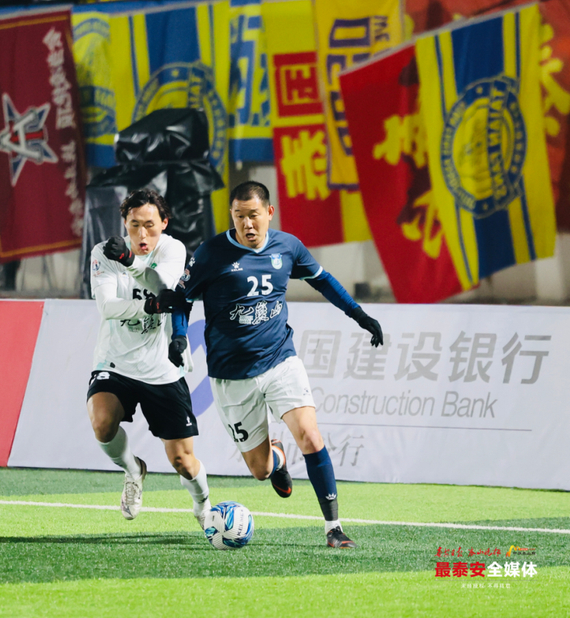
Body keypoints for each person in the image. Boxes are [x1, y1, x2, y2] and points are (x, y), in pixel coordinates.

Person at [168, 180, 384, 548]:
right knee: (261, 469)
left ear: (269, 212)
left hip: (280, 359)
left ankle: (333, 528)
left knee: (311, 436)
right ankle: (278, 459)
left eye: (253, 215)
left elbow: (323, 280)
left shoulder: (288, 247)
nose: (247, 224)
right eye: (239, 217)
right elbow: (181, 298)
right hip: (232, 376)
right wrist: (179, 336)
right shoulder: (210, 253)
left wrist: (359, 315)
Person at [87, 188, 211, 528]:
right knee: (102, 423)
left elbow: (163, 289)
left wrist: (130, 261)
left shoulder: (173, 249)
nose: (142, 234)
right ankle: (133, 470)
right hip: (115, 362)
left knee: (183, 461)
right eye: (134, 225)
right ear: (124, 223)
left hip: (161, 367)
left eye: (150, 225)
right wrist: (148, 305)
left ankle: (203, 505)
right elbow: (107, 308)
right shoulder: (103, 252)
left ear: (164, 223)